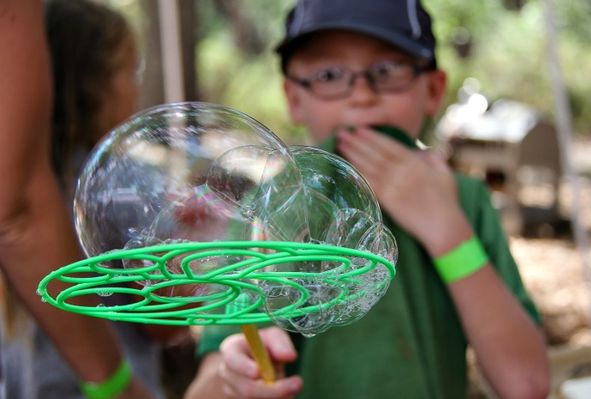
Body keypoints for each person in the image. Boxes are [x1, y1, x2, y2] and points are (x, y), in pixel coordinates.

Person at [184, 1, 550, 398]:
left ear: (433, 90)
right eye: (328, 74)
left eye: (387, 70)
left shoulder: (464, 199)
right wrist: (233, 381)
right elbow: (206, 385)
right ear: (293, 96)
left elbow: (525, 384)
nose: (361, 95)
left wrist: (449, 232)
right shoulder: (266, 210)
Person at [0, 1, 153, 398]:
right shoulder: (121, 186)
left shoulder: (53, 180)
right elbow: (163, 323)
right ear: (94, 87)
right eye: (130, 72)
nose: (137, 87)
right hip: (110, 384)